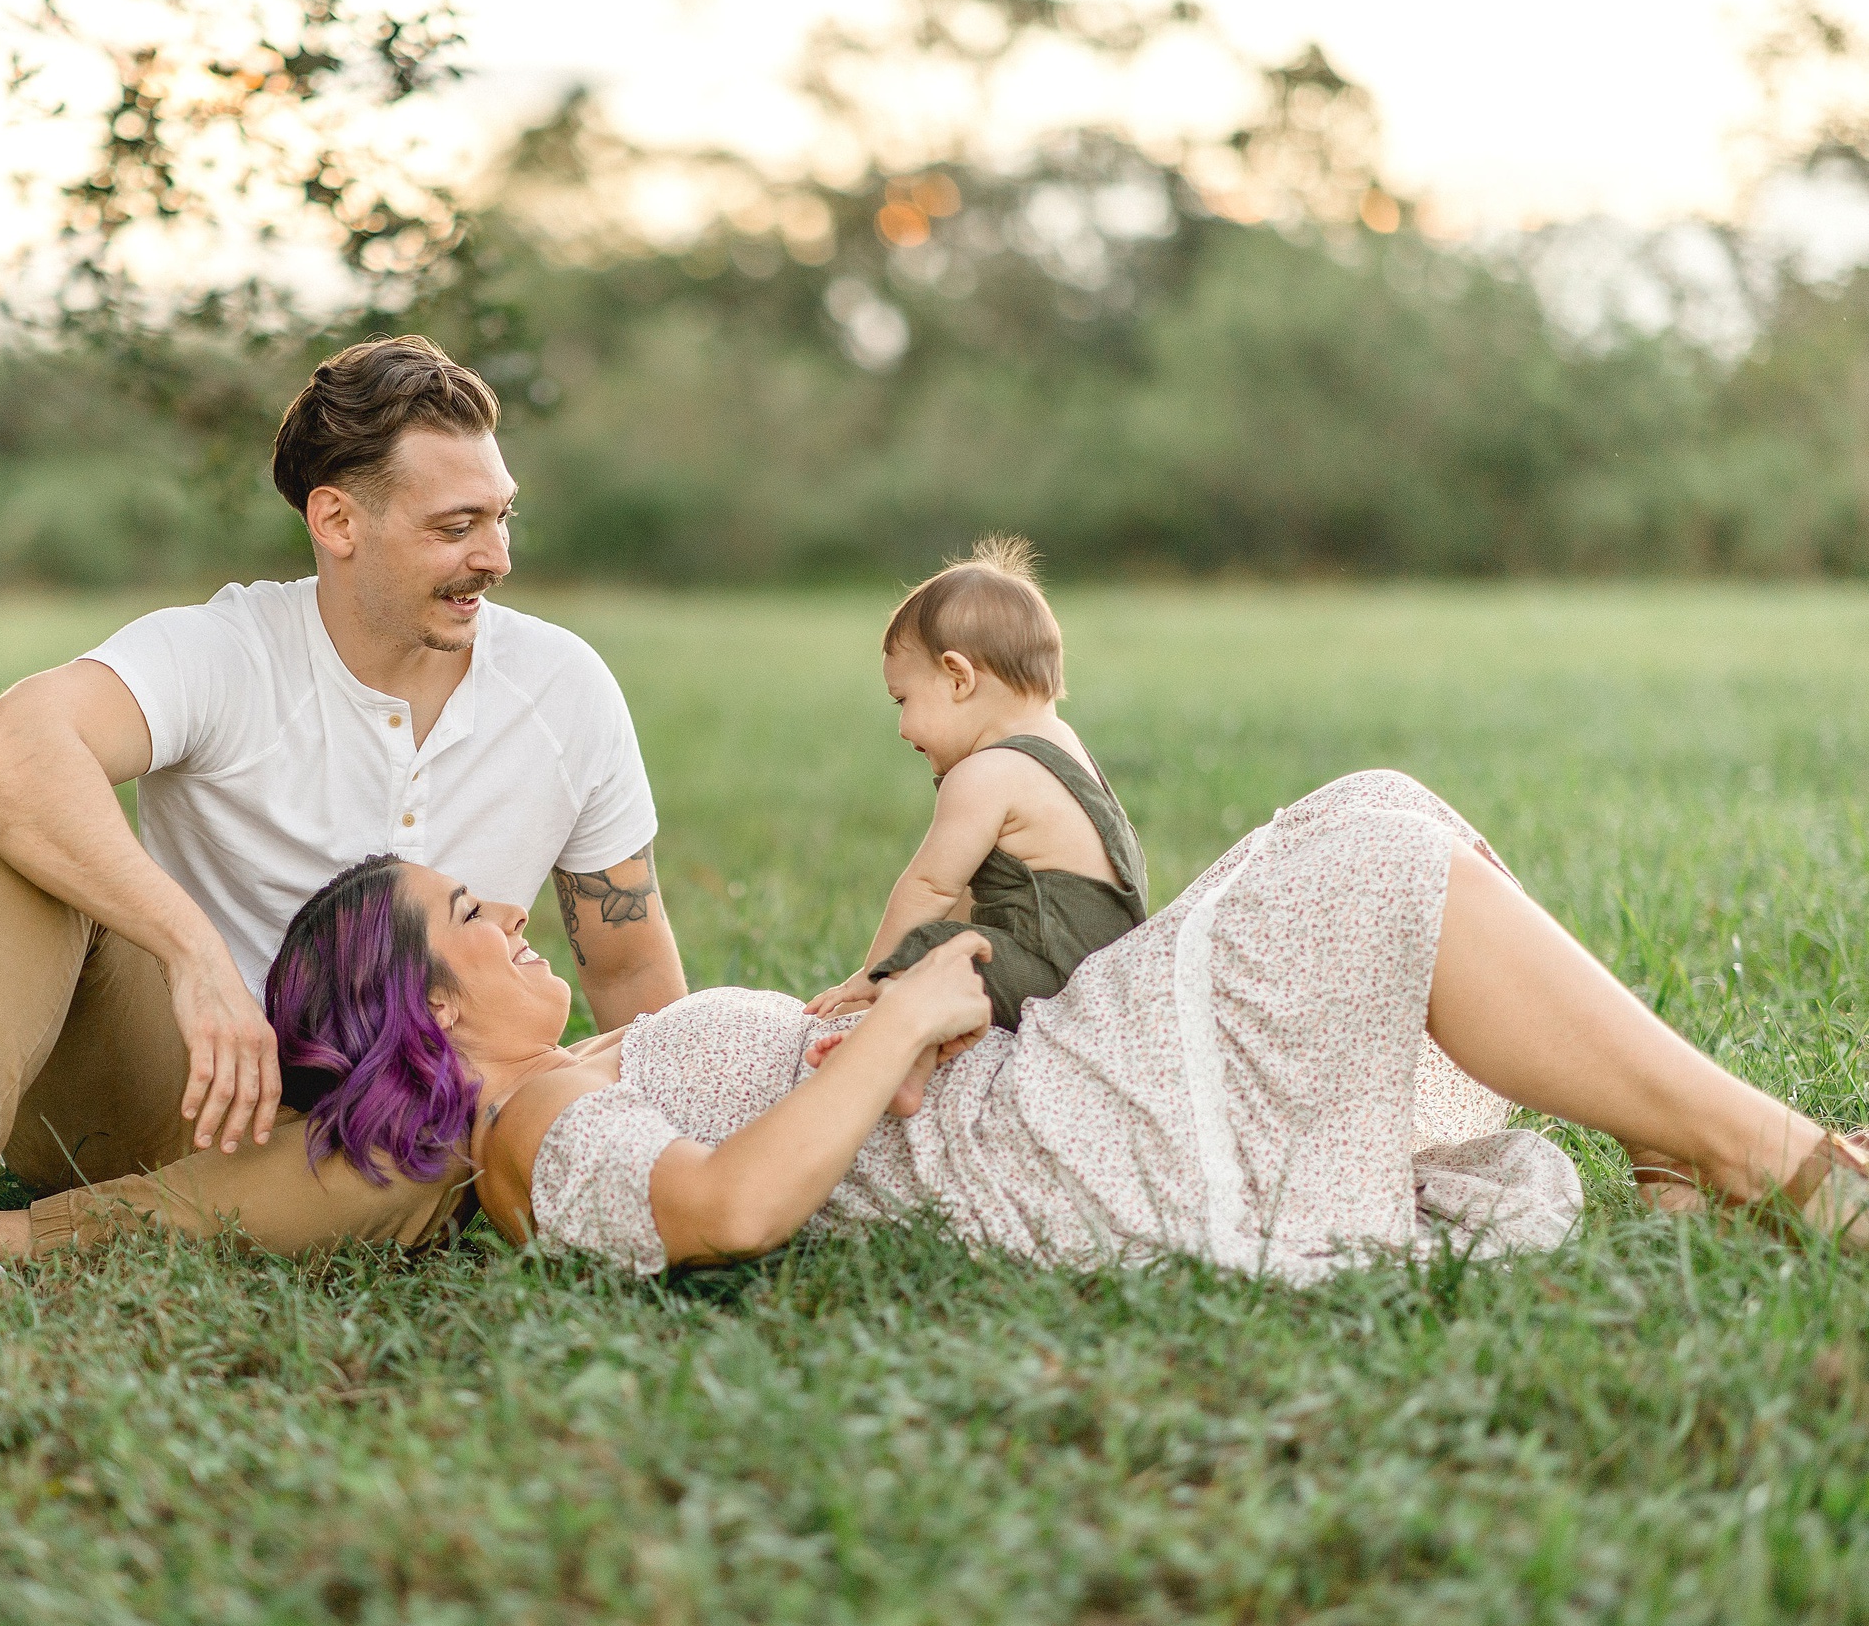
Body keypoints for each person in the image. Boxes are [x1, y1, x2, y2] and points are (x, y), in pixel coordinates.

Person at [0, 335, 688, 1309]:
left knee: (428, 1129)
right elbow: (0, 752)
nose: (498, 556)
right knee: (35, 849)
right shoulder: (226, 650)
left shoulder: (567, 690)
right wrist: (193, 954)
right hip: (181, 1088)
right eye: (457, 524)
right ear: (337, 519)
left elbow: (631, 966)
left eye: (503, 516)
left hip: (405, 1142)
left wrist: (666, 1155)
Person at [269, 771, 1869, 1281]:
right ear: (418, 1011)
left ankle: (1686, 1143)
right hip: (1037, 1154)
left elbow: (770, 1120)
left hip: (1006, 1087)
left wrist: (902, 1017)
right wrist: (904, 1028)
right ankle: (1779, 1159)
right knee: (1372, 848)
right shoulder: (526, 1140)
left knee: (1382, 815)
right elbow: (725, 1209)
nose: (503, 905)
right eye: (461, 919)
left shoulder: (599, 1060)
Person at [806, 536, 1148, 1030]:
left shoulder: (984, 773)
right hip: (1107, 975)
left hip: (1052, 976)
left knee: (931, 961)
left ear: (958, 677)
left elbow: (929, 888)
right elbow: (978, 892)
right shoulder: (1062, 748)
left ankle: (890, 1055)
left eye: (902, 701)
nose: (902, 729)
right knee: (950, 950)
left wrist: (874, 977)